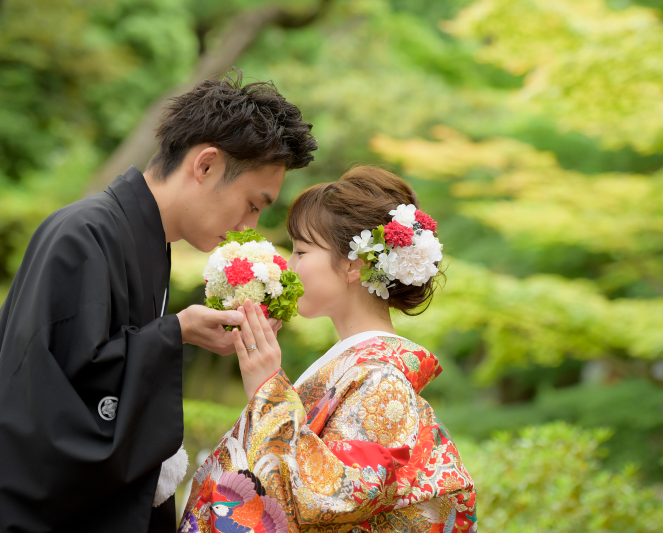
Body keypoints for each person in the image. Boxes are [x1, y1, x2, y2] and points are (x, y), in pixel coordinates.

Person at [0, 75, 317, 533]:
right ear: (206, 165)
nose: (247, 226)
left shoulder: (147, 243)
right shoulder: (84, 235)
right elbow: (45, 400)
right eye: (254, 204)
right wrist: (175, 332)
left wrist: (180, 331)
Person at [181, 166, 477, 533]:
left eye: (301, 251)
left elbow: (332, 497)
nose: (290, 266)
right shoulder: (360, 364)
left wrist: (269, 391)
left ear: (353, 265)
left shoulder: (381, 378)